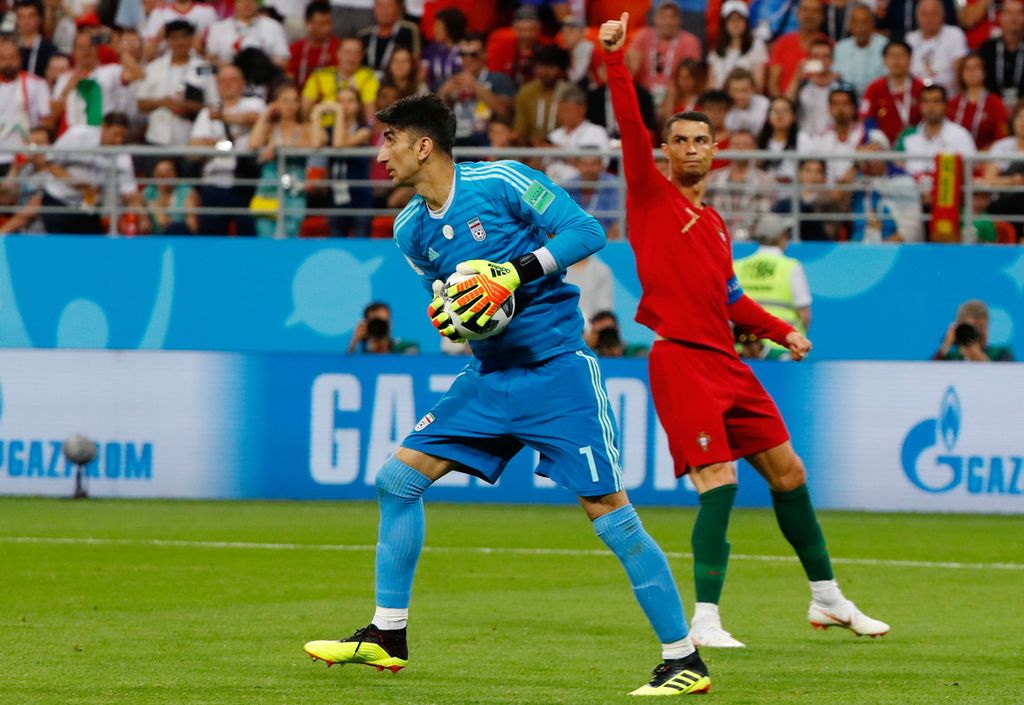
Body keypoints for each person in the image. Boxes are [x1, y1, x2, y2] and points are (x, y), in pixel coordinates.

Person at [302, 91, 711, 697]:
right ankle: (388, 633)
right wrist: (452, 317)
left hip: (557, 373)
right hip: (490, 377)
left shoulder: (501, 181)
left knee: (610, 514)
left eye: (389, 140)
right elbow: (451, 298)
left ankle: (684, 659)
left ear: (423, 145)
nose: (380, 155)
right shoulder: (409, 229)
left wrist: (513, 273)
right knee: (398, 479)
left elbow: (587, 231)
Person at [602, 11, 888, 649]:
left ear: (715, 150)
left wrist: (784, 331)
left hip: (728, 363)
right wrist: (616, 61)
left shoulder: (715, 225)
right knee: (720, 482)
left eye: (701, 140)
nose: (691, 148)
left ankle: (828, 599)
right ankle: (705, 619)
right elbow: (629, 126)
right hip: (680, 360)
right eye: (681, 140)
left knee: (789, 473)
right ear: (666, 150)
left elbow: (732, 298)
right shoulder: (649, 196)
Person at [189, 64, 265, 236]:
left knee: (248, 237)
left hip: (246, 183)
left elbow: (255, 118)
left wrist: (223, 118)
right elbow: (194, 147)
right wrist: (218, 143)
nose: (227, 84)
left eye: (233, 79)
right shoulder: (207, 113)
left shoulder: (254, 103)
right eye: (223, 80)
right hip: (214, 183)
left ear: (243, 83)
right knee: (211, 238)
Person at [41, 112, 146, 235]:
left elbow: (129, 192)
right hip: (58, 200)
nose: (118, 140)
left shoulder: (122, 156)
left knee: (94, 242)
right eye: (115, 134)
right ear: (103, 127)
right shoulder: (77, 134)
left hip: (89, 205)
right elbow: (50, 162)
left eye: (122, 136)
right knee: (61, 244)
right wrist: (74, 183)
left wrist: (142, 216)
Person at [248, 80, 319, 238]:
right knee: (266, 237)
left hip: (294, 190)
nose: (290, 105)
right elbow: (253, 143)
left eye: (294, 100)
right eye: (285, 100)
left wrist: (280, 145)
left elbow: (316, 143)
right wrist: (266, 113)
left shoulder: (304, 128)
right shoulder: (270, 128)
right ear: (276, 103)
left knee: (290, 235)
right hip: (268, 188)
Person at [734, 213, 812, 342]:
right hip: (782, 345)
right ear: (781, 237)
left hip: (746, 346)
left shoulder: (738, 266)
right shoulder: (791, 266)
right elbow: (805, 315)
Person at [136, 20, 207, 150]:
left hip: (192, 139)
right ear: (167, 41)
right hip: (157, 137)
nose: (179, 42)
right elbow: (140, 104)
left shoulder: (204, 68)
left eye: (184, 37)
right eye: (174, 38)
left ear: (192, 39)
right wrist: (162, 103)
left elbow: (213, 103)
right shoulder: (153, 67)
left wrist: (189, 106)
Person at [438, 33, 514, 147]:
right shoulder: (452, 81)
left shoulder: (499, 79)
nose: (467, 59)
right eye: (463, 54)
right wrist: (443, 93)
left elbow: (505, 111)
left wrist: (476, 86)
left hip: (486, 141)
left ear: (484, 55)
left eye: (473, 55)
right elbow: (434, 116)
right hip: (455, 141)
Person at [849, 129, 924, 242]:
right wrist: (855, 165)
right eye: (866, 154)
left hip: (891, 247)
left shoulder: (902, 181)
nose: (870, 159)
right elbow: (838, 196)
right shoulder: (857, 180)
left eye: (875, 153)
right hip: (857, 246)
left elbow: (911, 229)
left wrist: (883, 249)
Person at [625, 0, 701, 108]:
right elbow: (629, 69)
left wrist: (670, 96)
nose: (668, 21)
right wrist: (631, 66)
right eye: (663, 16)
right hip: (642, 96)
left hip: (676, 98)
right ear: (654, 18)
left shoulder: (690, 41)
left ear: (680, 20)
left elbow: (691, 78)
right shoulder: (642, 37)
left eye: (673, 17)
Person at [896, 84, 976, 181]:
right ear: (920, 105)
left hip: (948, 189)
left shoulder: (961, 135)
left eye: (936, 101)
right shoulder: (907, 136)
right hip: (912, 189)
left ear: (945, 105)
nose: (930, 107)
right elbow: (897, 168)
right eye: (926, 101)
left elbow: (969, 171)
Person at [707, 129, 777, 240]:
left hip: (753, 241)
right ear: (728, 148)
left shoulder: (766, 182)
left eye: (746, 145)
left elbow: (764, 215)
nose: (740, 148)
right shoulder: (712, 179)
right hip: (716, 239)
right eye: (736, 145)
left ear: (755, 149)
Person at [0, 36, 51, 177]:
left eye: (12, 57)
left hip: (23, 157)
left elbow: (46, 121)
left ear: (20, 59)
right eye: (3, 58)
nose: (8, 63)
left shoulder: (37, 84)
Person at [859, 40, 925, 144]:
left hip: (916, 146)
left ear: (910, 58)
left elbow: (928, 119)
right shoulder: (874, 88)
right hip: (883, 147)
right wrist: (876, 139)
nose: (896, 60)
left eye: (901, 55)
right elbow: (867, 119)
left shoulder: (921, 88)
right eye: (892, 56)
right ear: (884, 60)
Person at [303, 37, 379, 124]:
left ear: (362, 56)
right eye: (347, 52)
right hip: (322, 126)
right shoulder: (320, 75)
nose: (352, 57)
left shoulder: (368, 76)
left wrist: (369, 127)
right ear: (338, 53)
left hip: (354, 128)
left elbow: (370, 109)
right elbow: (305, 109)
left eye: (357, 53)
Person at [798, 86, 864, 184]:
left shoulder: (867, 135)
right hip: (827, 191)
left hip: (860, 189)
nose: (840, 108)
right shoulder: (819, 139)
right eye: (835, 103)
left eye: (845, 103)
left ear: (854, 107)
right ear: (829, 107)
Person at [545, 84, 610, 184]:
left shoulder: (596, 132)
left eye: (568, 110)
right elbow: (541, 166)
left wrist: (561, 153)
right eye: (561, 110)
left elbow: (601, 165)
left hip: (583, 188)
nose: (563, 114)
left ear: (582, 108)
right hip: (552, 187)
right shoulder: (554, 135)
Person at [513, 44, 572, 147]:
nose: (544, 71)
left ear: (562, 70)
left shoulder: (572, 93)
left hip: (564, 149)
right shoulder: (526, 93)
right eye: (540, 65)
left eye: (551, 66)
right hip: (531, 150)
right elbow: (521, 131)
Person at [947, 53, 1009, 151]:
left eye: (976, 68)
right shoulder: (953, 104)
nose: (971, 72)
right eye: (967, 68)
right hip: (955, 156)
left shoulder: (995, 103)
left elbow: (1001, 138)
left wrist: (980, 155)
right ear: (961, 73)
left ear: (984, 72)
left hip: (986, 157)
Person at [771, 158, 843, 240]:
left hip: (818, 238)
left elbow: (830, 230)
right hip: (791, 235)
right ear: (799, 174)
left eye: (818, 171)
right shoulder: (789, 197)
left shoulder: (830, 199)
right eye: (808, 171)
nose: (813, 175)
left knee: (796, 205)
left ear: (824, 176)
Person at [906, 0, 968, 94]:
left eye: (933, 13)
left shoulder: (954, 34)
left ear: (942, 15)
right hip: (917, 97)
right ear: (917, 17)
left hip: (948, 96)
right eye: (924, 14)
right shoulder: (909, 39)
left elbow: (960, 72)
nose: (929, 18)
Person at [206, 0, 289, 68]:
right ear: (234, 3)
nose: (247, 3)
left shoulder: (273, 26)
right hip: (230, 77)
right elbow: (210, 58)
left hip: (264, 76)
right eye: (241, 0)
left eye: (251, 0)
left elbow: (283, 58)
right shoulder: (218, 28)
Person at [767, 0, 825, 97]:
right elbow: (773, 83)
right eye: (805, 10)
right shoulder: (782, 43)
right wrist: (782, 103)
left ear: (822, 16)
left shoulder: (829, 46)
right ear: (797, 13)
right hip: (785, 101)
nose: (809, 15)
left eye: (815, 11)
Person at [707, 0, 768, 92]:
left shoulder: (757, 45)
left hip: (746, 97)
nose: (735, 24)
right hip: (720, 98)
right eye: (730, 20)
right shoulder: (716, 48)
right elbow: (710, 84)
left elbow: (758, 86)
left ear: (746, 22)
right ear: (724, 23)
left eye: (739, 19)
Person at [786, 39, 842, 137]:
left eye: (825, 56)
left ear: (832, 60)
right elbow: (786, 105)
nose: (820, 60)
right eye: (815, 56)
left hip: (833, 139)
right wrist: (796, 78)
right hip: (806, 138)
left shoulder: (841, 86)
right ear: (809, 60)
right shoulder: (801, 86)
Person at [832, 3, 887, 97]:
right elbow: (836, 77)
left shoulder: (885, 46)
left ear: (873, 23)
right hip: (848, 100)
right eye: (855, 22)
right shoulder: (840, 48)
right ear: (850, 25)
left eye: (864, 21)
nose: (860, 26)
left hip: (878, 98)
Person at [932, 299, 1015, 361]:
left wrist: (978, 356)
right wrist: (945, 345)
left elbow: (1008, 377)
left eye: (981, 326)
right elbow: (929, 375)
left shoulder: (1001, 353)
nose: (977, 333)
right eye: (970, 329)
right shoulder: (950, 358)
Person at [978, 0, 1024, 107]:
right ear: (1000, 17)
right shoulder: (987, 49)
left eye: (1019, 12)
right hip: (992, 107)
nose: (1014, 17)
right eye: (1009, 12)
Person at [357, 0, 421, 75]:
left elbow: (416, 59)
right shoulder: (364, 35)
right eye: (381, 6)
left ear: (398, 8)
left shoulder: (409, 30)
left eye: (389, 6)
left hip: (397, 78)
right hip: (367, 79)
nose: (385, 10)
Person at [287, 0, 339, 90]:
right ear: (308, 24)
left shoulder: (338, 47)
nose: (327, 28)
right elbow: (289, 79)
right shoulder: (295, 49)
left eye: (329, 23)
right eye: (322, 24)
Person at [142, 0, 217, 61]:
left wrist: (199, 46)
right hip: (166, 64)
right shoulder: (159, 13)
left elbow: (213, 51)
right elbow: (148, 54)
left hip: (197, 62)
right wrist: (159, 38)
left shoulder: (207, 11)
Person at [143, 157, 199, 234]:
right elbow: (143, 226)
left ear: (176, 174)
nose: (164, 175)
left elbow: (193, 227)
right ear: (154, 174)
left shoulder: (188, 193)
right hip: (154, 239)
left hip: (179, 237)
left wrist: (168, 223)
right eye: (159, 173)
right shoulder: (148, 192)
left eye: (168, 171)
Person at [421, 5, 465, 91]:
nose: (434, 30)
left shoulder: (465, 50)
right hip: (433, 94)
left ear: (450, 29)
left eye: (438, 27)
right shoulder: (430, 49)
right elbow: (421, 77)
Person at [347, 301, 418, 353]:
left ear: (390, 324)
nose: (379, 327)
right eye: (375, 323)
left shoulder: (405, 348)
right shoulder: (360, 354)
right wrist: (354, 343)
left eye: (382, 323)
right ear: (366, 326)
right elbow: (347, 367)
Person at [757, 95, 798, 181]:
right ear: (768, 117)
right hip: (765, 187)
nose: (779, 115)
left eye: (785, 111)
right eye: (774, 111)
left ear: (794, 116)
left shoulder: (803, 141)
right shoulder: (759, 142)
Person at [15, 0, 56, 78]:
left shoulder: (49, 50)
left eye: (30, 16)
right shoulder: (10, 47)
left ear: (40, 19)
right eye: (21, 16)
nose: (26, 21)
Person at [724, 67, 769, 134]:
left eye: (744, 90)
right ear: (728, 91)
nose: (740, 95)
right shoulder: (723, 108)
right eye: (735, 90)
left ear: (753, 89)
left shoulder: (764, 104)